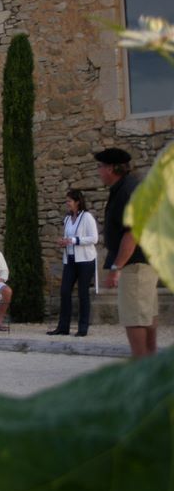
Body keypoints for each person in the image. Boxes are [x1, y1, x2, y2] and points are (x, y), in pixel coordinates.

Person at [95, 147, 159, 358]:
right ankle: (150, 361)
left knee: (135, 316)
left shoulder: (126, 191)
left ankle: (141, 364)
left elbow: (132, 233)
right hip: (145, 260)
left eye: (100, 166)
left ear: (111, 168)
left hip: (135, 263)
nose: (98, 171)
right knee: (146, 313)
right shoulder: (128, 187)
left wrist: (116, 267)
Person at [47, 189, 98, 337]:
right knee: (64, 292)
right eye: (67, 201)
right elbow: (68, 238)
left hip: (85, 261)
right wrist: (64, 242)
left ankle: (83, 328)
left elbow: (94, 238)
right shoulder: (68, 219)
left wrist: (74, 240)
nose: (67, 203)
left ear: (77, 202)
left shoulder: (87, 217)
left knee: (83, 293)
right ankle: (63, 327)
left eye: (69, 201)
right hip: (69, 259)